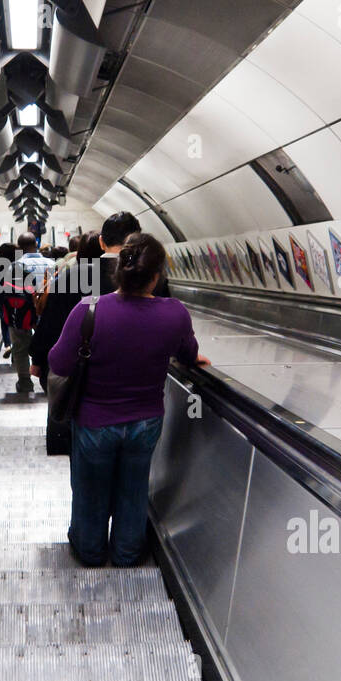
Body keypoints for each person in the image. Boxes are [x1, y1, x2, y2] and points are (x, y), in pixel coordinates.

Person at [49, 233, 210, 567]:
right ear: (157, 275)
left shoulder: (88, 311)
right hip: (146, 420)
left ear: (118, 272)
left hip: (94, 421)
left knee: (90, 491)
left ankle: (90, 552)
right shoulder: (175, 313)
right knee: (134, 490)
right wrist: (196, 360)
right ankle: (126, 553)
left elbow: (58, 363)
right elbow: (188, 353)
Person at [6, 234, 50, 394]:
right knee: (48, 343)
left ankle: (25, 381)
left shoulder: (15, 265)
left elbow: (11, 292)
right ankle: (46, 376)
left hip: (22, 312)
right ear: (36, 244)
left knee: (20, 346)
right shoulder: (50, 263)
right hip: (46, 312)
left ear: (19, 246)